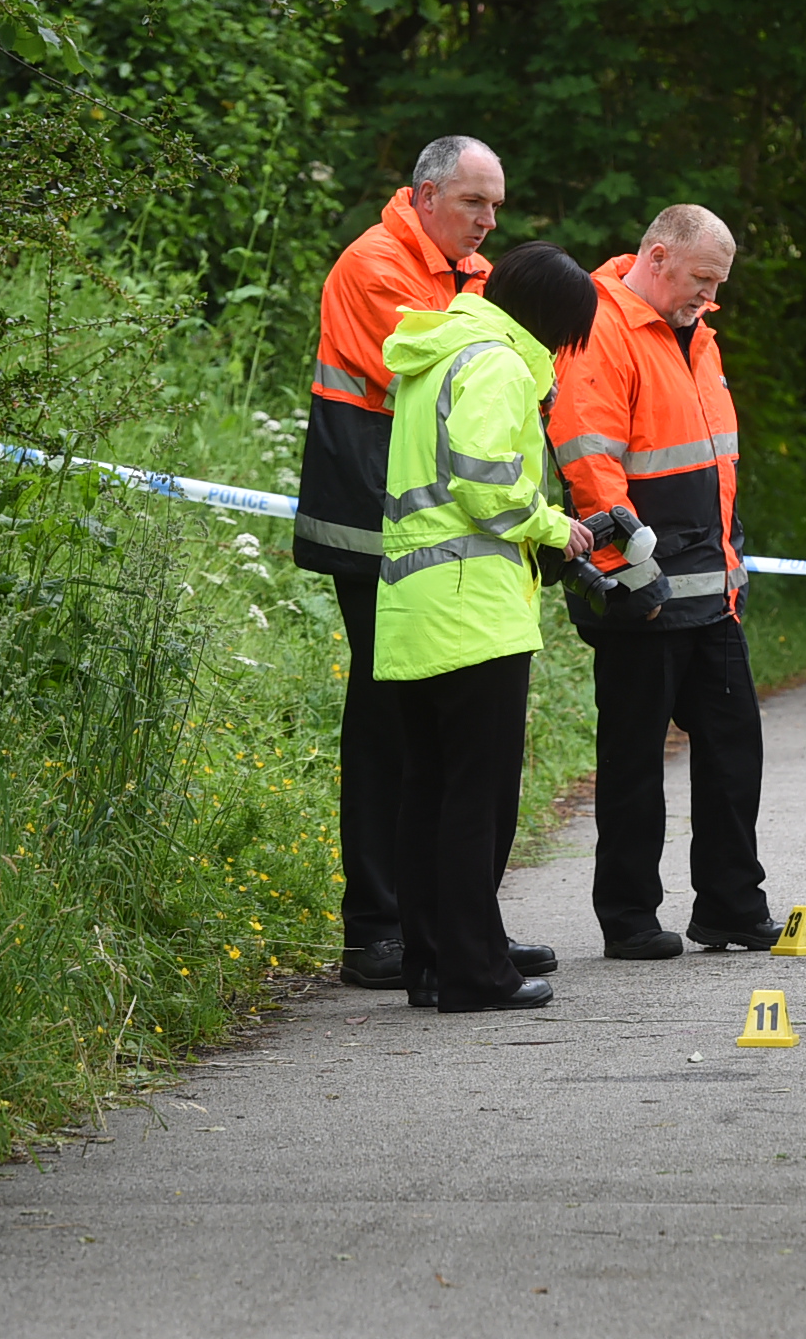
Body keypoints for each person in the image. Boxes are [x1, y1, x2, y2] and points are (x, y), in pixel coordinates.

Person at [292, 135, 506, 991]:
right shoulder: (376, 264)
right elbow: (449, 376)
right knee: (388, 724)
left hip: (427, 524)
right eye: (473, 204)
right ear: (423, 197)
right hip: (369, 520)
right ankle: (376, 929)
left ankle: (450, 929)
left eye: (495, 206)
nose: (489, 222)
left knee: (437, 726)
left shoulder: (465, 273)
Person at [373, 242, 598, 1013]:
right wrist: (550, 525)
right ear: (547, 321)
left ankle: (430, 962)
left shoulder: (434, 354)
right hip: (475, 611)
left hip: (413, 606)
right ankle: (477, 973)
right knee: (478, 796)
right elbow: (483, 481)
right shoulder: (498, 365)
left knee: (427, 790)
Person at [548, 206, 774, 961]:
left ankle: (730, 907)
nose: (711, 298)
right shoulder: (600, 327)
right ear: (657, 254)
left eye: (719, 285)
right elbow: (589, 465)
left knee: (735, 749)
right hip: (639, 594)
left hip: (710, 593)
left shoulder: (698, 337)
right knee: (634, 762)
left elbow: (716, 468)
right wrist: (623, 576)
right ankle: (628, 916)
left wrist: (731, 561)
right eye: (703, 279)